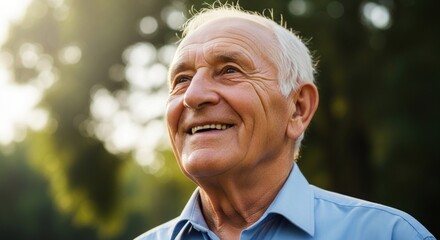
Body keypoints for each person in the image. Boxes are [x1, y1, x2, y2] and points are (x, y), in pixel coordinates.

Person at [136, 4, 435, 240]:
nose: (193, 95)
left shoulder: (389, 235)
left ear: (298, 109)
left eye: (229, 70)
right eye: (182, 79)